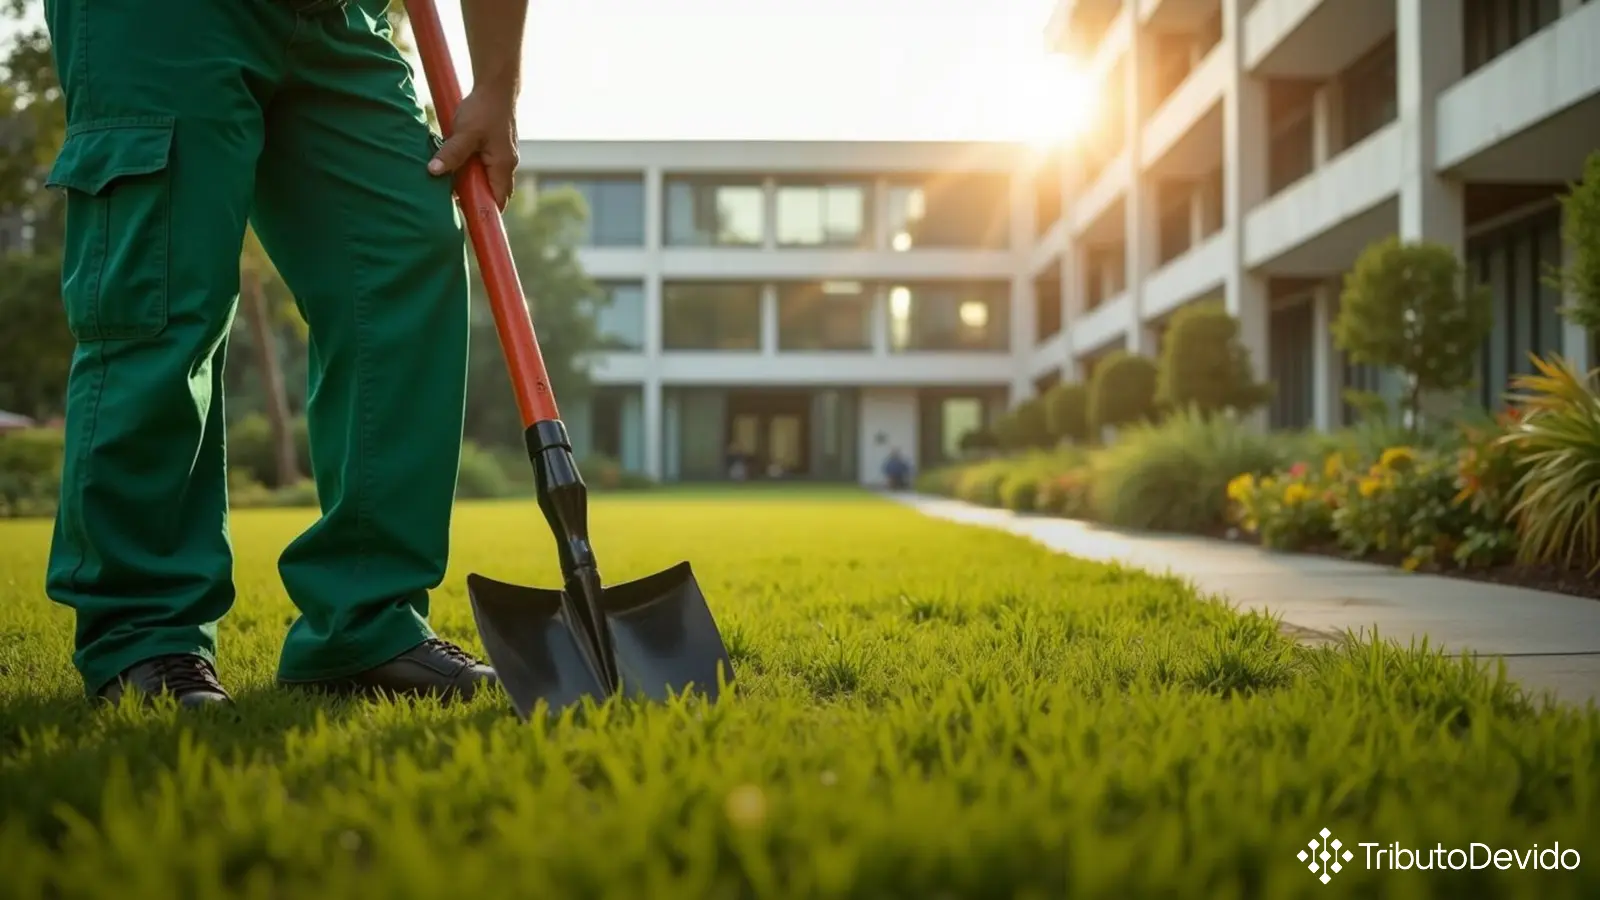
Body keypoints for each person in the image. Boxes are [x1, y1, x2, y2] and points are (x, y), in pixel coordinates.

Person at [39, 0, 527, 709]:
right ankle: (142, 633)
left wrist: (497, 88)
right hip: (159, 20)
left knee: (403, 250)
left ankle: (365, 621)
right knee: (162, 292)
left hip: (333, 17)